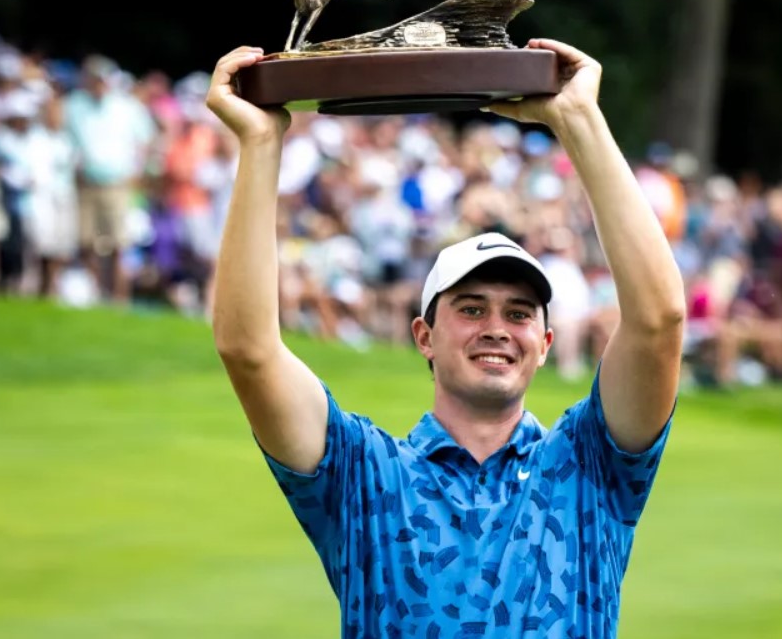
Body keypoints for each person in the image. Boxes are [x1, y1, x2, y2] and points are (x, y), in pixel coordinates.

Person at [205, 40, 686, 638]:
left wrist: (579, 119)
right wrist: (258, 144)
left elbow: (659, 320)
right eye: (471, 308)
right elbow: (248, 350)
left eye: (518, 314)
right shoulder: (364, 475)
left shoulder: (590, 466)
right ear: (424, 336)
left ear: (545, 341)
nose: (495, 329)